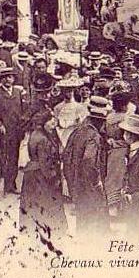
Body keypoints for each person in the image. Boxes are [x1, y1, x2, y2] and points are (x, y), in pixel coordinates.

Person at [62, 98, 107, 236]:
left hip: (75, 182)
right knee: (94, 219)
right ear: (99, 120)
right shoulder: (93, 136)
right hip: (88, 185)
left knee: (82, 218)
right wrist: (96, 182)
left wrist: (71, 179)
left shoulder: (77, 131)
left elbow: (66, 155)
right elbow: (89, 160)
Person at [20, 113, 68, 240]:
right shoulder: (43, 139)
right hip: (40, 175)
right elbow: (45, 162)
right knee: (46, 203)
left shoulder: (35, 134)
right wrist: (54, 177)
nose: (53, 126)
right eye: (50, 123)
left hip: (31, 174)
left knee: (32, 205)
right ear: (43, 123)